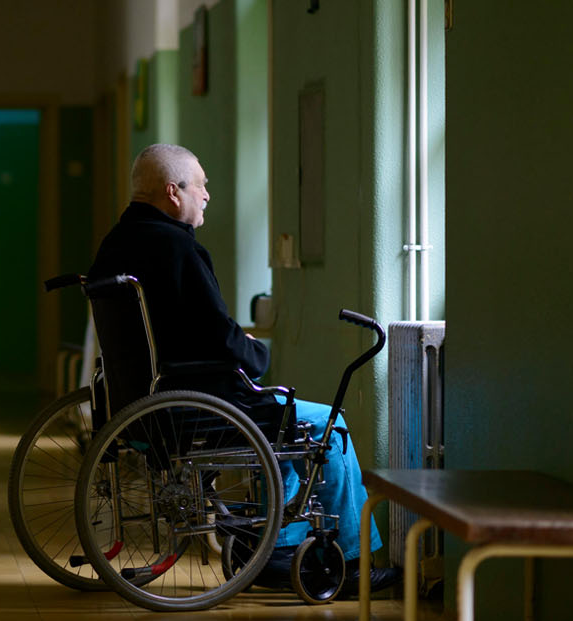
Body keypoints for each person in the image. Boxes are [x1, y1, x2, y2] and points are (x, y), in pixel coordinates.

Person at [87, 143, 399, 595]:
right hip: (196, 403)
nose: (207, 195)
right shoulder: (178, 249)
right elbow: (216, 334)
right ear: (174, 193)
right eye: (201, 185)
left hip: (142, 402)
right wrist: (256, 353)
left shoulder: (115, 245)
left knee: (280, 431)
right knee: (327, 429)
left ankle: (277, 553)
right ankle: (350, 565)